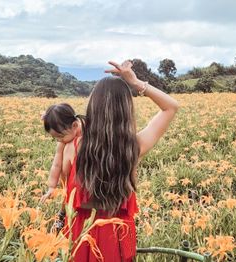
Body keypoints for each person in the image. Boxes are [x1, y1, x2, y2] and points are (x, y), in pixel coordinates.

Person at [61, 60, 179, 261]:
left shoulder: (73, 145)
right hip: (117, 234)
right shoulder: (134, 146)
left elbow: (65, 190)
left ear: (93, 107)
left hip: (78, 232)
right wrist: (136, 83)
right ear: (126, 110)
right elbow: (171, 107)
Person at [40, 103, 84, 232]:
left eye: (60, 136)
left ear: (75, 126)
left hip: (82, 174)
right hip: (68, 175)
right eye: (56, 138)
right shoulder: (63, 141)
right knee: (67, 197)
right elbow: (56, 164)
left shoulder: (87, 130)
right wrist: (52, 187)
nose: (59, 141)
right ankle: (61, 216)